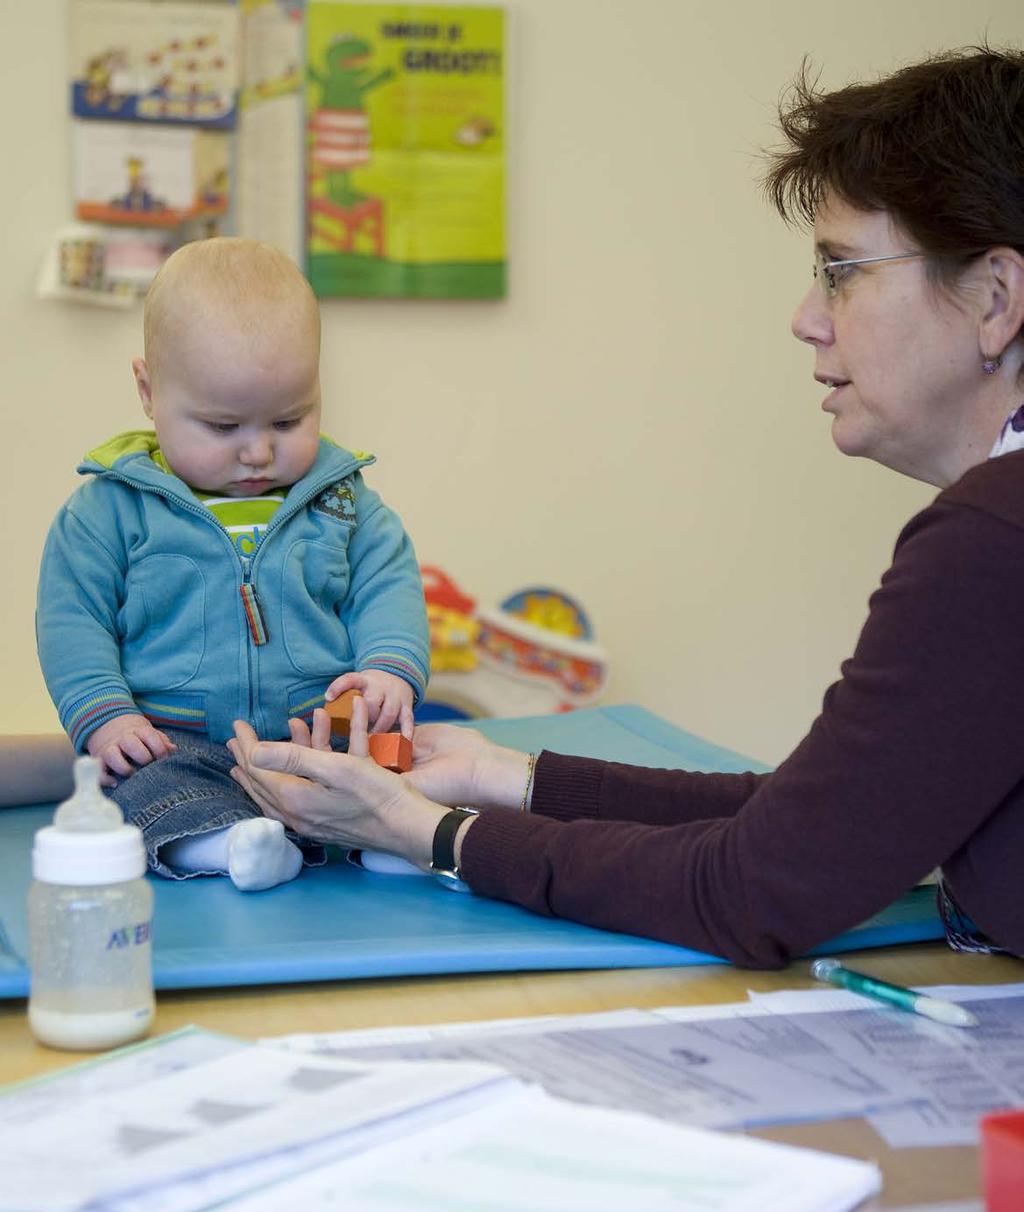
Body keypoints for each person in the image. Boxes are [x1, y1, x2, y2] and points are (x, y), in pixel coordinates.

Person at [229, 47, 1024, 965]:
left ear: (996, 299)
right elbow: (818, 821)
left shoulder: (989, 538)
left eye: (842, 269)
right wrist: (506, 780)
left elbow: (753, 889)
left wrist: (425, 833)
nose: (807, 315)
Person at [37, 238, 429, 890]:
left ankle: (389, 838)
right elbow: (71, 618)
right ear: (147, 391)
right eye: (223, 427)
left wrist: (389, 668)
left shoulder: (340, 501)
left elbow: (387, 582)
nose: (257, 453)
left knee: (386, 768)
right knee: (140, 791)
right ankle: (223, 845)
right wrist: (107, 717)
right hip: (176, 740)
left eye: (288, 418)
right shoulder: (109, 511)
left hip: (317, 736)